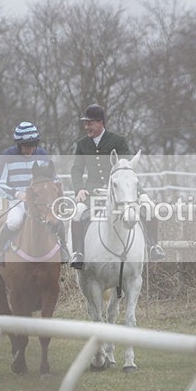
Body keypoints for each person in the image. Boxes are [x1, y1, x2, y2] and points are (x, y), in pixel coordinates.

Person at [69, 103, 165, 269]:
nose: (87, 127)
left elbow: (127, 169)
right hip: (92, 192)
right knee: (77, 213)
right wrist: (79, 189)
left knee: (149, 208)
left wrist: (141, 193)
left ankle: (153, 246)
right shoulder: (82, 144)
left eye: (90, 123)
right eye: (85, 123)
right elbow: (76, 169)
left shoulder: (117, 141)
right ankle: (78, 253)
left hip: (120, 191)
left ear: (101, 122)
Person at [0, 121, 70, 266]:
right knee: (14, 221)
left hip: (41, 201)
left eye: (33, 146)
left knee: (57, 220)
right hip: (19, 201)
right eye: (27, 147)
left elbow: (53, 178)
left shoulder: (42, 155)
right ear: (19, 144)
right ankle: (0, 250)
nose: (31, 150)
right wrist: (17, 194)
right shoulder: (7, 156)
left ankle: (64, 249)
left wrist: (53, 191)